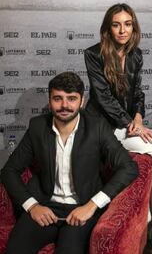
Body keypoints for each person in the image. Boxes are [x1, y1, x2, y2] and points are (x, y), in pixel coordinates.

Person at [1, 72, 138, 253]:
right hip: (45, 207)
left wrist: (91, 206)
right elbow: (9, 170)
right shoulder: (37, 126)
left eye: (71, 99)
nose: (65, 105)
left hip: (82, 209)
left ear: (81, 102)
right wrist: (32, 205)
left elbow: (129, 167)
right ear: (49, 101)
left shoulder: (97, 127)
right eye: (58, 99)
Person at [84, 3, 152, 233]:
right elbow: (103, 97)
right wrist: (130, 123)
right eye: (116, 25)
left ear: (133, 27)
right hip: (101, 127)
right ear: (108, 28)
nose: (122, 30)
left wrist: (138, 117)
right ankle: (150, 224)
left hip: (126, 124)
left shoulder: (135, 55)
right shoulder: (93, 54)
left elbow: (137, 92)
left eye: (127, 24)